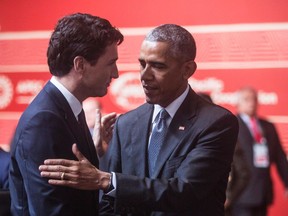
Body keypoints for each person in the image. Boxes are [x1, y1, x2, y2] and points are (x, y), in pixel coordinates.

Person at [39, 24, 239, 216]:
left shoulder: (216, 123)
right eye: (142, 64)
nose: (144, 76)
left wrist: (107, 180)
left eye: (158, 67)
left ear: (187, 70)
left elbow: (184, 191)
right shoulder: (126, 124)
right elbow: (109, 204)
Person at [9, 13, 123, 216]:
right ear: (80, 64)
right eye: (110, 63)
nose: (115, 73)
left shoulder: (69, 107)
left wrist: (95, 152)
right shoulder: (43, 121)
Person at [232, 86, 288, 216]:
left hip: (263, 192)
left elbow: (280, 157)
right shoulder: (231, 125)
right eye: (247, 99)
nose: (251, 103)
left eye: (254, 99)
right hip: (240, 193)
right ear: (237, 103)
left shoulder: (268, 126)